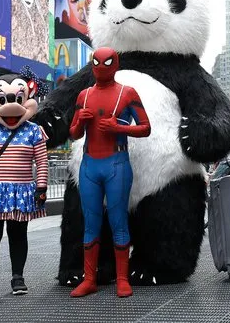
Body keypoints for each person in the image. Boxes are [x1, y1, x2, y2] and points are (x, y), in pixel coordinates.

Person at [69, 47, 151, 299]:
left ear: (115, 64)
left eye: (106, 62)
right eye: (97, 62)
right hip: (91, 164)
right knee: (91, 223)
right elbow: (73, 134)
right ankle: (90, 278)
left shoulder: (127, 93)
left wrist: (119, 126)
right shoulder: (83, 95)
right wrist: (80, 121)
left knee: (118, 220)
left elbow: (146, 127)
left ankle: (122, 279)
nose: (101, 66)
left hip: (116, 163)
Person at [0, 68, 49, 300]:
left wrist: (41, 187)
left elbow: (42, 162)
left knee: (18, 235)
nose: (11, 106)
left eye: (18, 99)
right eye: (3, 99)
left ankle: (18, 278)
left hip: (21, 192)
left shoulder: (34, 131)